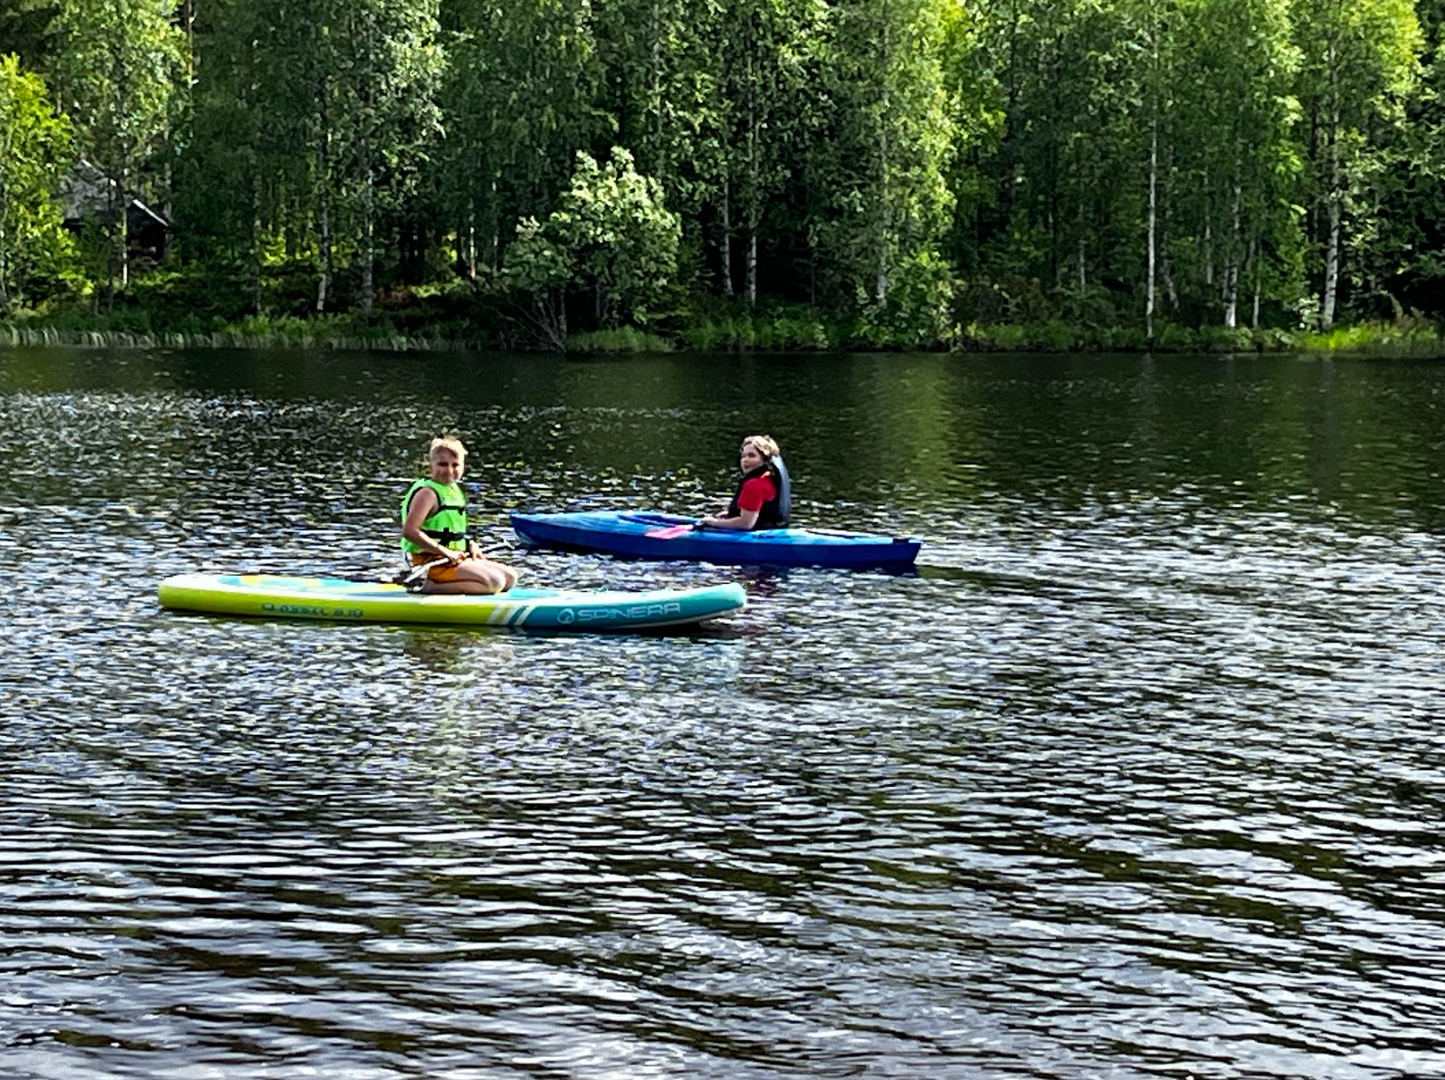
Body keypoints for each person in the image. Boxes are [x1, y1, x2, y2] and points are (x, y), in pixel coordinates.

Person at [400, 436, 518, 594]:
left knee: (510, 577)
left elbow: (451, 530)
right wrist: (445, 552)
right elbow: (409, 531)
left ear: (463, 467)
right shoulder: (427, 493)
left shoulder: (453, 490)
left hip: (449, 559)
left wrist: (468, 544)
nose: (449, 470)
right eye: (442, 464)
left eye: (455, 465)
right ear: (430, 465)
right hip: (428, 561)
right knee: (494, 582)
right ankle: (428, 586)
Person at [699, 434, 792, 531]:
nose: (745, 460)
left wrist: (713, 522)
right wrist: (732, 514)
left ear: (765, 460)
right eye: (743, 456)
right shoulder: (769, 479)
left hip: (757, 536)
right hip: (773, 531)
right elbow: (763, 512)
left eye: (751, 455)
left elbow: (746, 523)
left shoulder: (754, 485)